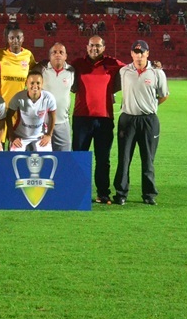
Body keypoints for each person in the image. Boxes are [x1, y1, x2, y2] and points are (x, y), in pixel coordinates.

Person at [113, 41, 169, 205]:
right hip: (127, 119)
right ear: (131, 54)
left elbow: (164, 95)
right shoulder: (124, 71)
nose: (139, 56)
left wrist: (151, 106)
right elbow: (113, 89)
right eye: (136, 52)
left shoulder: (157, 73)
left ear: (147, 53)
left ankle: (149, 194)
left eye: (142, 52)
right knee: (124, 158)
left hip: (148, 120)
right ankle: (121, 193)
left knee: (148, 159)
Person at [71, 36, 125, 204]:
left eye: (98, 46)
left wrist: (154, 65)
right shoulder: (77, 64)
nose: (95, 48)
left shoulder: (112, 63)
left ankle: (103, 193)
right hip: (81, 118)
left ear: (104, 47)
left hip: (104, 118)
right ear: (87, 47)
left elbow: (132, 68)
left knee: (103, 159)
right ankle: (78, 191)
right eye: (92, 45)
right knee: (79, 157)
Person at [35, 43, 75, 151]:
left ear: (66, 56)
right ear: (50, 56)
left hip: (62, 122)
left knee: (65, 157)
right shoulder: (41, 70)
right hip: (43, 124)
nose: (58, 55)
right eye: (54, 52)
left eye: (61, 52)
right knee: (43, 159)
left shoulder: (71, 72)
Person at [4, 71, 56, 152]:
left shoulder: (49, 98)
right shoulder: (18, 97)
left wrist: (49, 134)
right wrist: (12, 136)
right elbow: (8, 116)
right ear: (26, 84)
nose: (35, 86)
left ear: (42, 84)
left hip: (40, 136)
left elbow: (53, 116)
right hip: (21, 135)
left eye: (38, 83)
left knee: (46, 158)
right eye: (32, 83)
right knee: (14, 157)